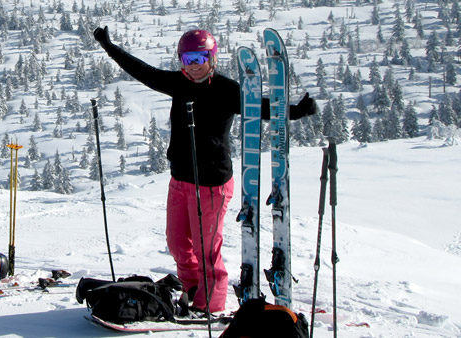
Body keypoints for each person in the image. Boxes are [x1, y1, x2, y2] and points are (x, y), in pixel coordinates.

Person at [92, 26, 316, 313]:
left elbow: (262, 108)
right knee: (177, 244)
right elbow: (144, 73)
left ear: (212, 58)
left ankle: (210, 305)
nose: (194, 66)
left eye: (200, 58)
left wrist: (295, 111)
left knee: (206, 251)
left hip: (212, 184)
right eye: (188, 59)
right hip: (180, 180)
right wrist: (110, 47)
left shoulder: (227, 90)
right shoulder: (178, 84)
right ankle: (192, 288)